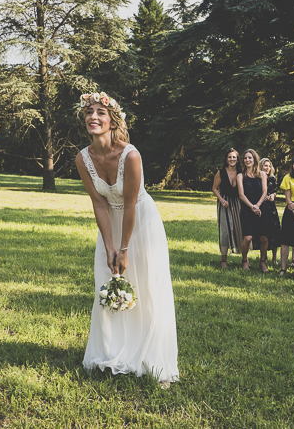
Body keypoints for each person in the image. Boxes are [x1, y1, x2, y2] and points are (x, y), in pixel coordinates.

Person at [76, 92, 179, 384]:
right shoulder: (83, 159)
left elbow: (130, 203)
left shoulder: (131, 155)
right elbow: (99, 203)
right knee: (106, 283)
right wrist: (110, 248)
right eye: (89, 112)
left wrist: (124, 248)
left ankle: (154, 359)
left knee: (146, 288)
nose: (93, 117)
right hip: (109, 223)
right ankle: (111, 354)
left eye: (100, 113)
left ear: (112, 121)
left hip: (141, 223)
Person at [237, 149, 269, 272]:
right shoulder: (240, 175)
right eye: (245, 158)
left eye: (250, 158)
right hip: (247, 208)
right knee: (248, 238)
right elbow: (241, 194)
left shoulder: (262, 174)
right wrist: (252, 207)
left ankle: (262, 262)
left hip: (261, 208)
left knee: (264, 238)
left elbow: (265, 191)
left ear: (254, 159)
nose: (247, 160)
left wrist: (258, 205)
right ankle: (244, 260)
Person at [211, 148, 243, 269]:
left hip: (238, 202)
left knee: (240, 228)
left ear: (237, 158)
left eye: (234, 157)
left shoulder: (241, 171)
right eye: (230, 157)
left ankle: (244, 259)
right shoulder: (221, 172)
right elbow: (214, 188)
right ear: (226, 159)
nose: (232, 159)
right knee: (224, 230)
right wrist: (222, 200)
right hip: (225, 202)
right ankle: (223, 259)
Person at [256, 158, 282, 267]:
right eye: (265, 166)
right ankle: (264, 257)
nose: (267, 168)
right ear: (261, 166)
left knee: (275, 231)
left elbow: (275, 190)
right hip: (262, 206)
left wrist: (273, 195)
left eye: (269, 166)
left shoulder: (272, 178)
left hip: (271, 207)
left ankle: (275, 258)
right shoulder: (257, 178)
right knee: (264, 232)